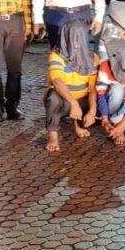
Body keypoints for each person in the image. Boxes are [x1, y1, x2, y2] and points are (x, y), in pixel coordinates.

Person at [44, 20, 98, 152]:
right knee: (53, 98)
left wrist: (92, 112)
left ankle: (78, 125)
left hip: (82, 99)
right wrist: (73, 103)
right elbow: (57, 82)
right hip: (64, 100)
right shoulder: (56, 55)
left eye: (79, 37)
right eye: (72, 37)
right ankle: (53, 135)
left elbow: (92, 88)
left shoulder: (93, 58)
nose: (77, 42)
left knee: (98, 100)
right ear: (65, 37)